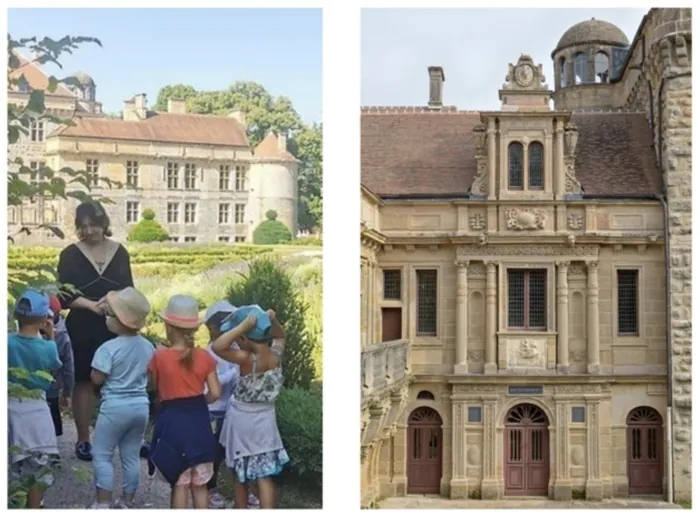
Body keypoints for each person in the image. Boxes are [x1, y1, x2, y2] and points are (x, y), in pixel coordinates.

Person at [57, 201, 134, 462]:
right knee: (84, 382)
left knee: (116, 381)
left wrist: (114, 303)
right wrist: (91, 305)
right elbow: (64, 294)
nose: (89, 231)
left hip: (115, 322)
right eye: (84, 226)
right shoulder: (70, 254)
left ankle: (118, 437)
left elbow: (128, 289)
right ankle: (83, 439)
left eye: (94, 225)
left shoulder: (120, 252)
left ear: (104, 224)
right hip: (82, 323)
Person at [147, 294, 221, 509]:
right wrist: (198, 402)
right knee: (200, 485)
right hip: (199, 425)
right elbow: (215, 393)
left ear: (168, 326)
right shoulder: (205, 357)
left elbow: (154, 386)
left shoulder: (159, 357)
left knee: (179, 483)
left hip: (173, 425)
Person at [212, 308, 289, 509]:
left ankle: (241, 508)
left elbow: (218, 346)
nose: (236, 341)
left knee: (240, 472)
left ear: (245, 337)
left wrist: (241, 327)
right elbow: (281, 336)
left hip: (242, 421)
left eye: (239, 338)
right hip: (266, 421)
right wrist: (273, 320)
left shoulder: (247, 359)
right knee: (265, 474)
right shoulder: (275, 356)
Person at [89, 287, 154, 509]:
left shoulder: (108, 349)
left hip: (114, 407)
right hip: (140, 407)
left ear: (120, 321)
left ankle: (102, 503)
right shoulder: (148, 346)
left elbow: (97, 379)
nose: (107, 317)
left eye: (110, 314)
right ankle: (127, 501)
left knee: (102, 454)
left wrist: (95, 374)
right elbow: (152, 377)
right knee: (131, 456)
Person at [203, 301, 260, 510]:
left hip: (233, 410)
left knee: (239, 452)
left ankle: (247, 492)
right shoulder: (209, 352)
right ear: (213, 328)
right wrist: (235, 371)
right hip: (214, 410)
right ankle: (211, 489)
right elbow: (214, 381)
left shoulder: (236, 349)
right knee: (213, 453)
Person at [8, 289, 62, 509]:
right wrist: (51, 337)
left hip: (10, 404)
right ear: (44, 319)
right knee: (38, 467)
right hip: (36, 408)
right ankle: (33, 508)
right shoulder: (48, 347)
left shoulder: (7, 343)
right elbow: (55, 368)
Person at [44, 295, 74, 444]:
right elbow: (68, 368)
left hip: (32, 390)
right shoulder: (64, 337)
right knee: (52, 423)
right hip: (52, 389)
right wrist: (67, 392)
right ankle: (52, 451)